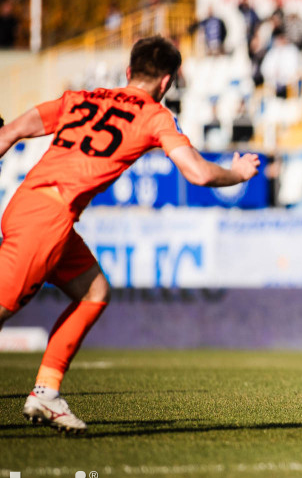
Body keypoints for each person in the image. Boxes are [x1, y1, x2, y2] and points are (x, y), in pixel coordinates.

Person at [0, 36, 261, 433]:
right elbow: (199, 173)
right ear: (167, 82)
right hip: (47, 219)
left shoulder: (80, 98)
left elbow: (10, 133)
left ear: (128, 72)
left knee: (95, 292)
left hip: (28, 205)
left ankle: (46, 393)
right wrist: (238, 173)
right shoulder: (155, 116)